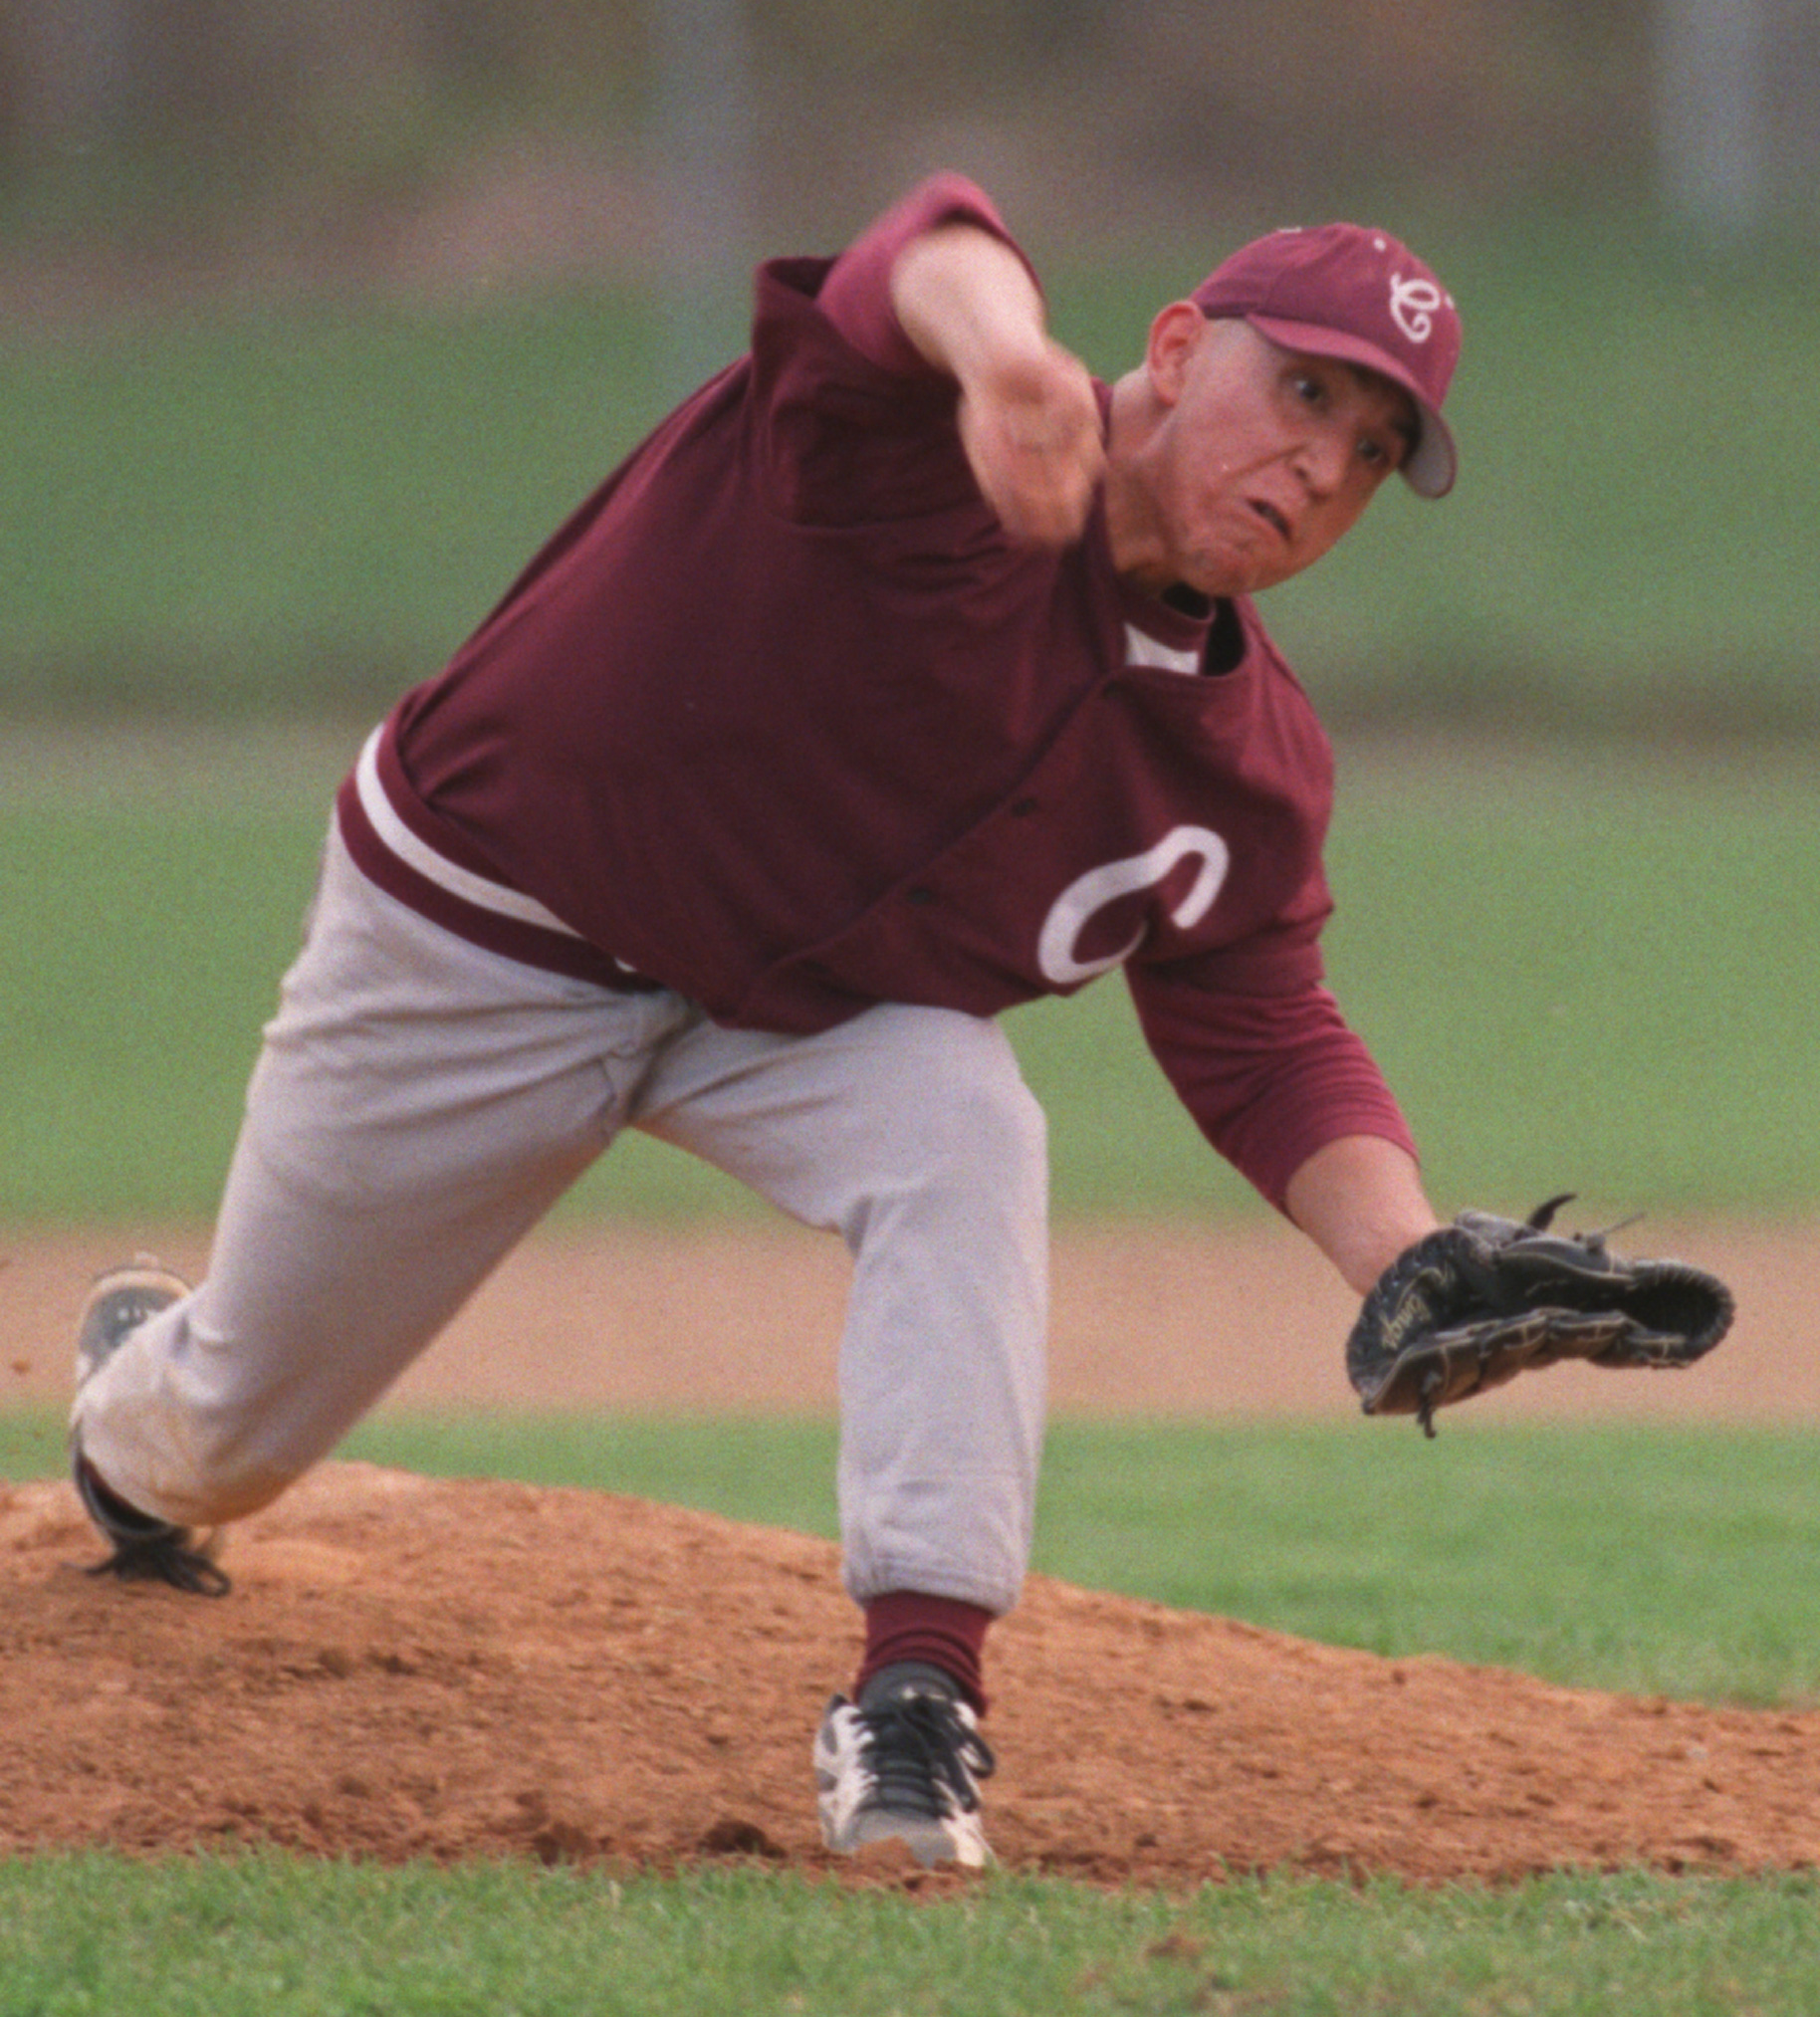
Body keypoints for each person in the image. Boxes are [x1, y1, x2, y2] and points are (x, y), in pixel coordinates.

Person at [70, 171, 1462, 1870]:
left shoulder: (1243, 756)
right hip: (485, 926)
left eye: (1377, 446)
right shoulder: (918, 440)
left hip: (798, 1017)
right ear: (1174, 349)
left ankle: (916, 1700)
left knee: (967, 1125)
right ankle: (137, 1413)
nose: (1324, 462)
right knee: (220, 1444)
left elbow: (1261, 1023)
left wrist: (1403, 1258)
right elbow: (917, 252)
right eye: (1303, 389)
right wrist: (1007, 354)